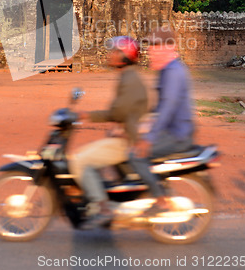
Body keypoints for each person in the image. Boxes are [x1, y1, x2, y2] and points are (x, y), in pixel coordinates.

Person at [69, 36, 149, 228]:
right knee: (92, 155)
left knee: (79, 160)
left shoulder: (130, 79)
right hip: (126, 135)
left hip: (128, 141)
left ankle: (102, 207)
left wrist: (88, 115)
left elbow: (117, 112)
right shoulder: (128, 77)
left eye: (115, 51)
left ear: (124, 57)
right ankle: (98, 195)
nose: (110, 54)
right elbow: (123, 113)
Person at [130, 26, 195, 216]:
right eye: (150, 46)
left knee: (135, 156)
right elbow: (158, 110)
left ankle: (160, 200)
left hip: (177, 135)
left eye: (155, 46)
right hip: (171, 130)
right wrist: (138, 127)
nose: (150, 50)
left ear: (170, 47)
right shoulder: (167, 70)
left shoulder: (174, 72)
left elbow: (167, 108)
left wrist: (148, 138)